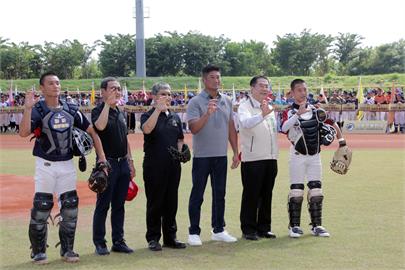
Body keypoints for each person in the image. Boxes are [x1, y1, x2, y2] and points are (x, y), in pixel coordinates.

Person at [19, 71, 107, 264]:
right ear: (42, 88)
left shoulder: (71, 109)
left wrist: (102, 158)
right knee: (42, 207)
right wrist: (26, 109)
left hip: (67, 164)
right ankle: (38, 251)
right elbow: (24, 133)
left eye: (57, 83)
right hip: (45, 165)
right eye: (50, 83)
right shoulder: (38, 109)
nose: (55, 86)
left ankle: (67, 250)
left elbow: (92, 132)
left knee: (70, 207)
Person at [281, 79, 347, 238]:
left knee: (316, 190)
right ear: (292, 93)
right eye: (299, 90)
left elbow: (332, 123)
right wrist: (298, 114)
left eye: (304, 89)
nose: (303, 93)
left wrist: (342, 142)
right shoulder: (289, 111)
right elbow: (283, 128)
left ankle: (317, 225)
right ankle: (294, 226)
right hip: (297, 156)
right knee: (296, 191)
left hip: (314, 156)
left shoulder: (317, 110)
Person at [186, 64, 240, 246]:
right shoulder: (195, 102)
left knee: (220, 194)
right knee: (198, 194)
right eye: (212, 77)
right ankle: (194, 231)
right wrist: (207, 114)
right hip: (202, 156)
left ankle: (218, 229)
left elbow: (231, 126)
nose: (217, 80)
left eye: (218, 77)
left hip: (220, 156)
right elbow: (193, 129)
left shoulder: (227, 100)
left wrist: (235, 152)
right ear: (204, 79)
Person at [91, 77, 136, 255]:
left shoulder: (120, 112)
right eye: (112, 89)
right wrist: (107, 105)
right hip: (106, 164)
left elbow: (125, 139)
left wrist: (130, 161)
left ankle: (118, 241)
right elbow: (100, 127)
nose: (117, 92)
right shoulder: (98, 111)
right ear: (103, 92)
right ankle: (100, 243)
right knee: (103, 205)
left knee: (119, 205)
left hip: (122, 163)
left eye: (118, 89)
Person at [141, 82, 187, 251]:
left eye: (169, 94)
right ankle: (153, 238)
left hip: (173, 167)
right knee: (155, 203)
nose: (167, 97)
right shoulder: (148, 115)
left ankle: (170, 237)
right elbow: (146, 129)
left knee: (171, 203)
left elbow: (180, 138)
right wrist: (157, 110)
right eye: (163, 94)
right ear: (154, 96)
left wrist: (181, 151)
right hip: (154, 167)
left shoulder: (174, 117)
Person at [237, 76, 279, 240]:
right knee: (251, 194)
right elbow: (245, 123)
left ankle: (264, 227)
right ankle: (248, 229)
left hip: (271, 157)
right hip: (253, 159)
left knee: (266, 194)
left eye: (267, 86)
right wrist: (262, 114)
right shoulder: (244, 106)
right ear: (252, 88)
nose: (264, 89)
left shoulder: (268, 106)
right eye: (261, 86)